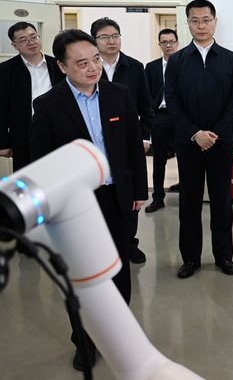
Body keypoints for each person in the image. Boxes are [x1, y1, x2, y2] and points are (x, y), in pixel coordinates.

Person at [30, 29, 147, 371]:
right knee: (83, 278)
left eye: (95, 59)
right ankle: (84, 341)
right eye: (82, 63)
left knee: (119, 271)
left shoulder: (119, 95)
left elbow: (132, 147)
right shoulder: (48, 106)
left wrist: (139, 191)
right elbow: (42, 162)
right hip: (75, 206)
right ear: (62, 67)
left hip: (116, 197)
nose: (93, 67)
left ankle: (117, 336)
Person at [164, 0, 233, 279]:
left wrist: (214, 134)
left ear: (215, 22)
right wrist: (195, 133)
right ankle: (190, 258)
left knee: (222, 201)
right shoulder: (177, 61)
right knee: (189, 202)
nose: (201, 25)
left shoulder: (230, 59)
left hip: (221, 142)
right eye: (195, 20)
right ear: (187, 23)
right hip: (188, 143)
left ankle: (224, 256)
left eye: (206, 20)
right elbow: (172, 101)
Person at [91, 17, 154, 264]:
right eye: (105, 37)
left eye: (115, 36)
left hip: (128, 141)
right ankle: (103, 245)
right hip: (97, 142)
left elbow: (146, 106)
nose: (111, 41)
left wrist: (145, 137)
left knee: (130, 193)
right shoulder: (90, 68)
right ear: (94, 40)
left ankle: (129, 243)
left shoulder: (135, 67)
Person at [0, 22, 64, 171]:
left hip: (58, 131)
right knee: (28, 177)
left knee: (60, 174)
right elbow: (1, 108)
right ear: (14, 45)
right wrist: (3, 143)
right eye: (23, 40)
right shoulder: (5, 70)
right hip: (24, 136)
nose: (31, 42)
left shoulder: (58, 65)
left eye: (33, 37)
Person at [145, 29, 180, 213]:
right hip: (160, 116)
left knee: (185, 157)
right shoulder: (151, 67)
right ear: (159, 45)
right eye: (164, 42)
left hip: (181, 116)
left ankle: (186, 192)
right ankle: (158, 198)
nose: (168, 45)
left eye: (171, 41)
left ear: (177, 43)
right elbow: (146, 93)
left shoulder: (185, 64)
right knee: (159, 160)